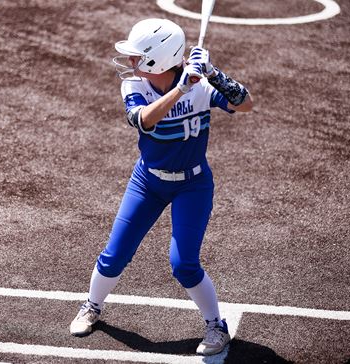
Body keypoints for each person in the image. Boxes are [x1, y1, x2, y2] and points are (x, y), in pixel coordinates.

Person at [69, 18, 253, 356]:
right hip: (148, 181)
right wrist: (181, 89)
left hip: (193, 186)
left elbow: (245, 104)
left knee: (183, 264)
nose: (130, 62)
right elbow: (143, 120)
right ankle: (92, 305)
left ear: (157, 60)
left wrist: (214, 74)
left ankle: (216, 326)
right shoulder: (136, 87)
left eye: (137, 57)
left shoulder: (200, 83)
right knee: (115, 255)